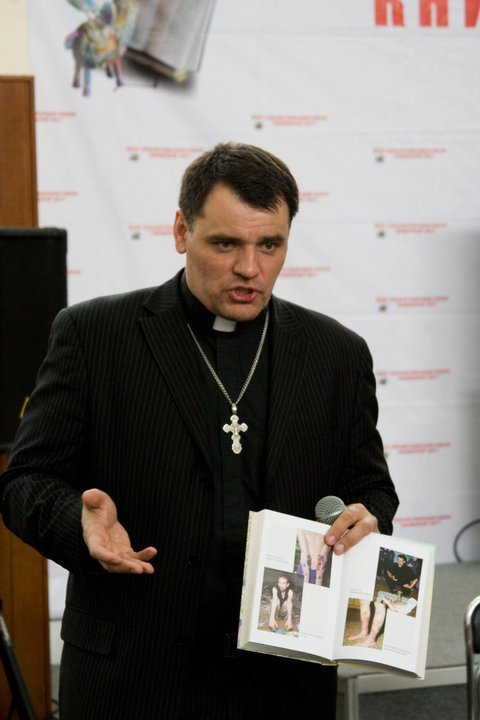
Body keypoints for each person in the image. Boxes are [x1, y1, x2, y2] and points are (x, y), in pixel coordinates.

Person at [0, 142, 399, 719]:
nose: (250, 268)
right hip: (134, 680)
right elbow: (25, 482)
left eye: (270, 245)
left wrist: (368, 517)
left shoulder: (336, 353)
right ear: (182, 231)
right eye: (226, 244)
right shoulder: (94, 335)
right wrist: (78, 524)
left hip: (283, 683)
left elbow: (372, 488)